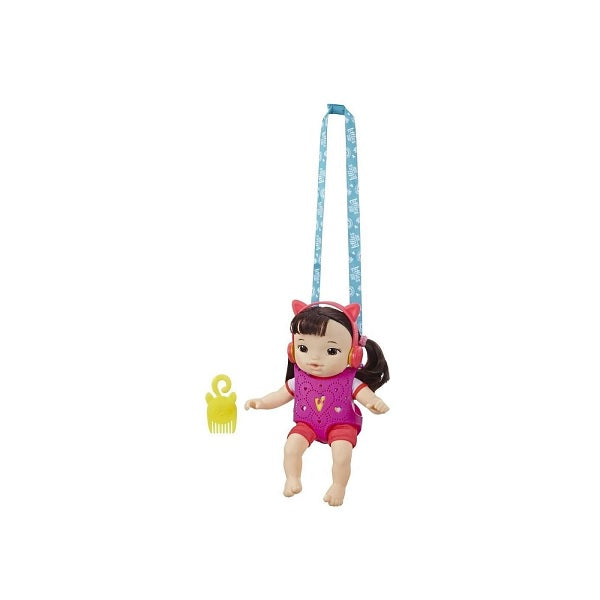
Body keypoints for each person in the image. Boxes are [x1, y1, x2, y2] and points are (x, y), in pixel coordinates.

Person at [245, 300, 390, 506]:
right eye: (303, 348)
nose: (314, 358)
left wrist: (374, 403)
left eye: (331, 351)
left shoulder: (349, 380)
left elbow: (367, 397)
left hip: (342, 425)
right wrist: (261, 402)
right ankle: (292, 478)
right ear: (292, 350)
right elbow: (279, 395)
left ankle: (338, 486)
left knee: (342, 454)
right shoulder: (298, 379)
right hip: (307, 424)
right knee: (291, 448)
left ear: (353, 355)